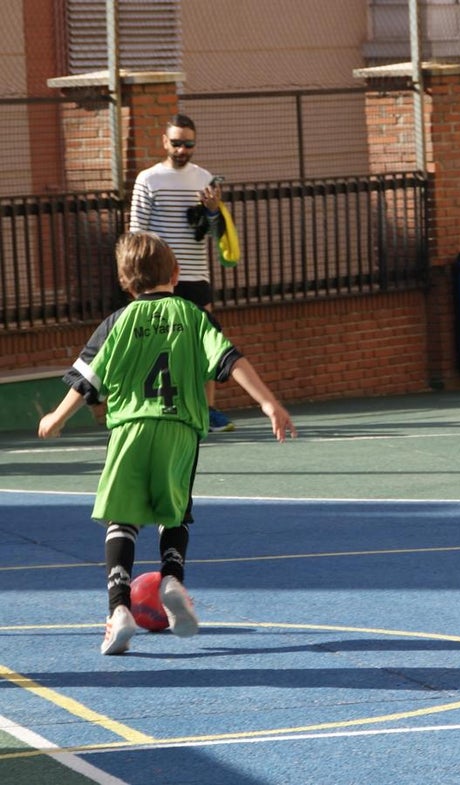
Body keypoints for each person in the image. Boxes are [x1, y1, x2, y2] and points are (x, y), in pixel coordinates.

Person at [38, 232, 296, 655]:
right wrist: (268, 403)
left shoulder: (117, 322)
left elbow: (86, 380)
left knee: (122, 518)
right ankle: (172, 579)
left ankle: (119, 611)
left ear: (125, 282)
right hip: (180, 430)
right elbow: (230, 359)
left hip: (130, 430)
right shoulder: (193, 316)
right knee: (173, 512)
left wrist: (56, 417)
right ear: (175, 274)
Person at [130, 113, 234, 432]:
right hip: (158, 280)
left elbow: (213, 233)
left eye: (189, 144)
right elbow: (136, 233)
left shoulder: (204, 178)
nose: (182, 150)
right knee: (161, 346)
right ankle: (160, 408)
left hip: (196, 275)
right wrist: (138, 280)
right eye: (176, 143)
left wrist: (213, 211)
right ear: (165, 142)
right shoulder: (148, 179)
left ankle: (208, 409)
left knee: (206, 342)